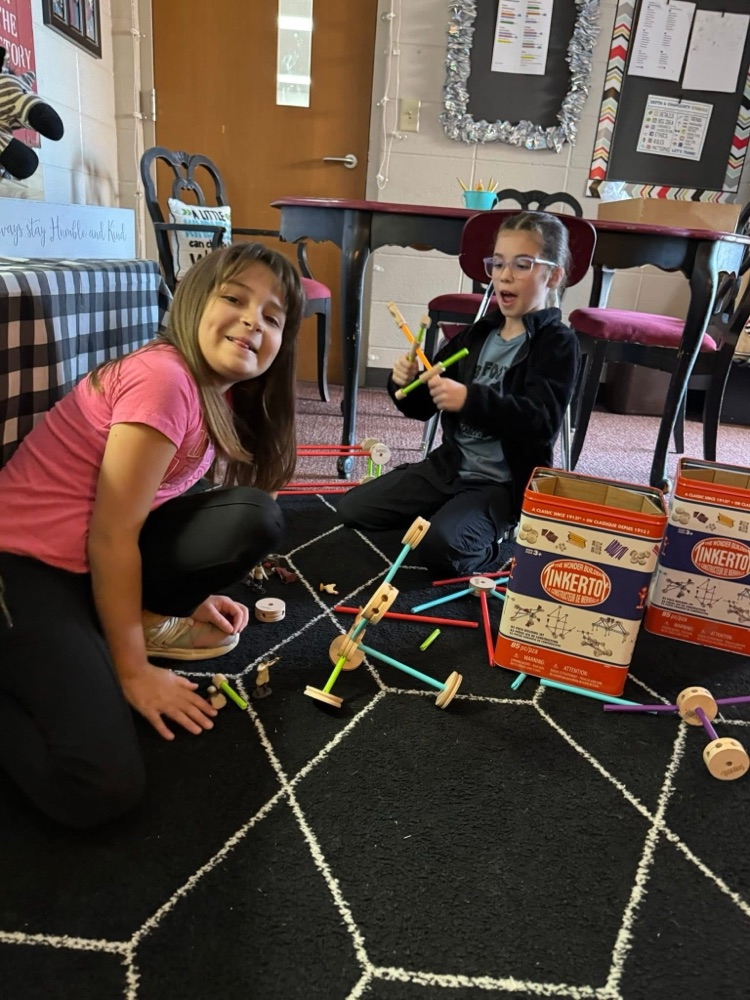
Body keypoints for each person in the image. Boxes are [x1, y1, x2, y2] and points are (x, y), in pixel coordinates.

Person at [0, 242, 304, 829]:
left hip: (85, 561)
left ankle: (109, 624)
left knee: (252, 515)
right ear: (192, 301)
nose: (251, 320)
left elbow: (147, 512)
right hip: (21, 567)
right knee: (100, 786)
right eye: (235, 298)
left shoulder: (220, 393)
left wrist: (183, 597)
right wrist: (133, 671)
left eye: (271, 316)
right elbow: (114, 537)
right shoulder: (163, 378)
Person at [336, 211, 579, 575]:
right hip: (448, 468)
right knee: (352, 510)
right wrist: (405, 382)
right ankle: (450, 514)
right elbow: (421, 407)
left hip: (499, 484)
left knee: (442, 551)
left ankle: (501, 534)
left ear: (554, 274)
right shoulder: (478, 334)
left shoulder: (557, 343)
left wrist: (470, 400)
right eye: (497, 264)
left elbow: (540, 421)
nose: (504, 276)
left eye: (522, 264)